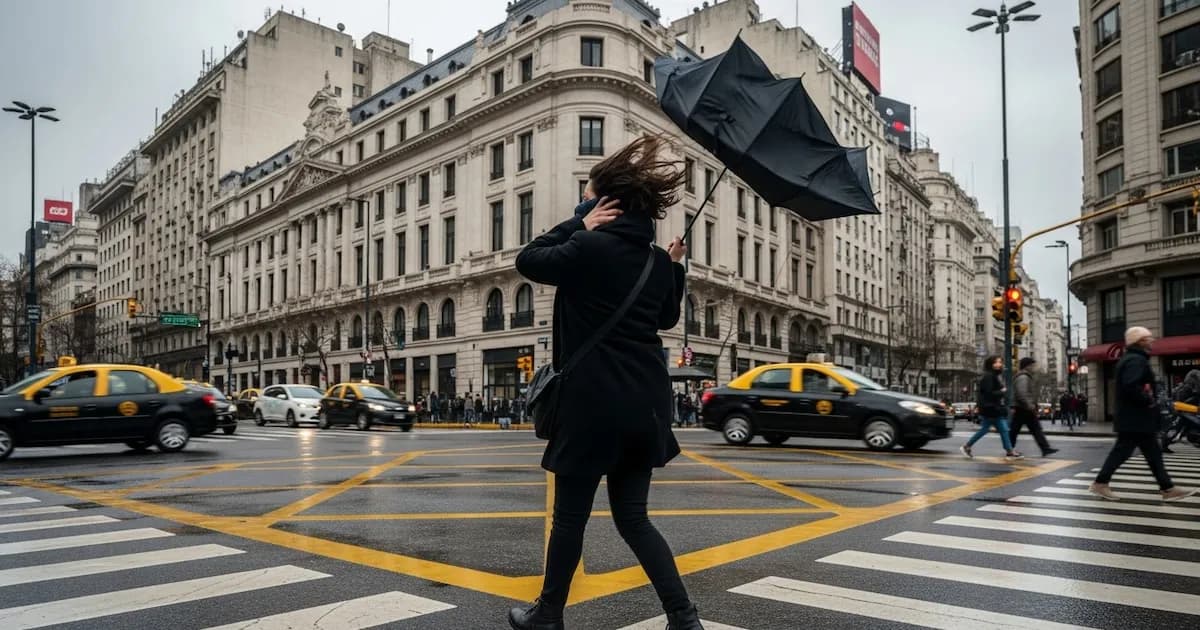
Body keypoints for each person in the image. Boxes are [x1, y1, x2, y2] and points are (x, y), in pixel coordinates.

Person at [509, 135, 702, 630]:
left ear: (603, 201)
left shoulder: (588, 244)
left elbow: (529, 260)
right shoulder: (659, 261)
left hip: (591, 405)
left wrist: (579, 224)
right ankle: (684, 617)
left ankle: (548, 615)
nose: (583, 200)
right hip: (645, 407)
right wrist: (674, 267)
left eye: (587, 195)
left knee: (569, 519)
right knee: (634, 518)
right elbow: (664, 314)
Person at [1091, 327, 1196, 502]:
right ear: (1139, 341)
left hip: (1135, 418)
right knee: (1127, 452)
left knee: (1149, 453)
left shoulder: (1132, 359)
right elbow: (1131, 386)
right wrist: (1149, 400)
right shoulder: (1136, 360)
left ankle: (1167, 487)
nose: (1151, 341)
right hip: (1136, 418)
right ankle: (1101, 483)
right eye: (1147, 338)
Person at [960, 355, 1023, 461]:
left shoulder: (993, 375)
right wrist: (1002, 391)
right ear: (990, 364)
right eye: (995, 362)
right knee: (1002, 429)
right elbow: (989, 393)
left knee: (991, 429)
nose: (998, 364)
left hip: (990, 408)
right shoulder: (989, 376)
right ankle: (1009, 451)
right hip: (991, 408)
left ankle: (967, 446)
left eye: (1000, 362)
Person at [1009, 357, 1057, 456]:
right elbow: (1022, 393)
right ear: (1027, 366)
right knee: (1017, 430)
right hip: (1023, 408)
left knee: (1033, 429)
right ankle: (1009, 448)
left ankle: (1045, 448)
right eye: (1032, 365)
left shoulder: (1026, 376)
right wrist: (1029, 405)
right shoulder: (1023, 377)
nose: (1034, 367)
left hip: (1024, 407)